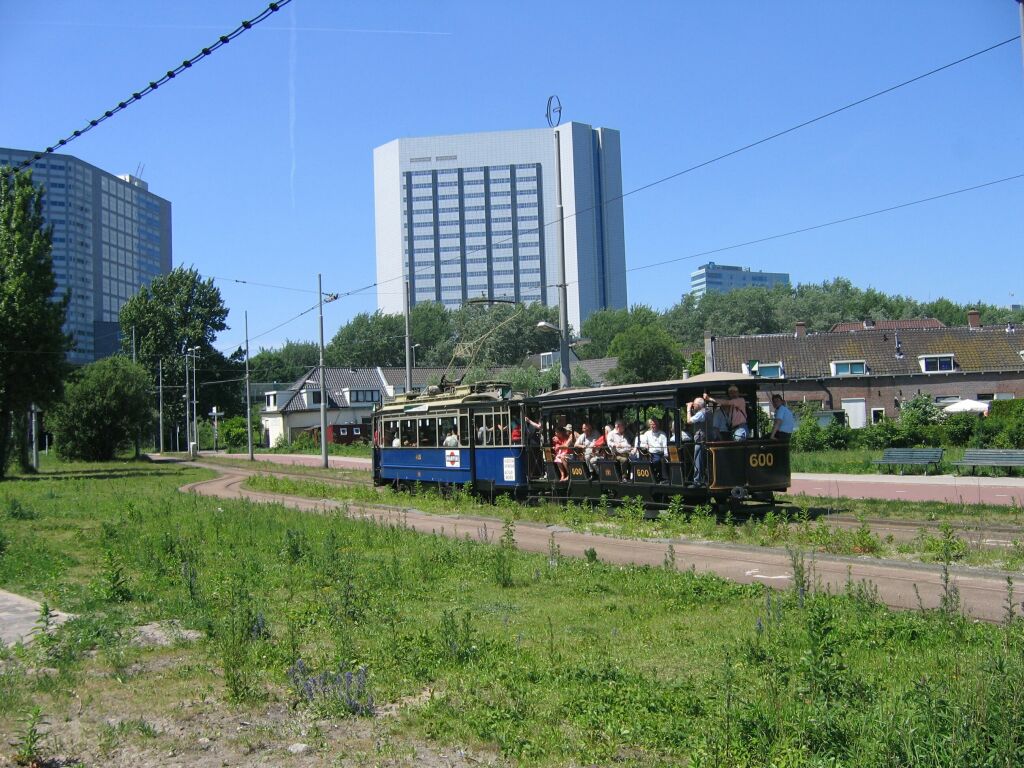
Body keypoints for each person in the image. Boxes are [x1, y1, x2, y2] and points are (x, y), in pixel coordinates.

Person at [687, 398, 708, 485]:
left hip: (700, 441)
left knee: (698, 461)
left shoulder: (700, 413)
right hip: (704, 440)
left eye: (694, 404)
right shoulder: (707, 411)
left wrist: (688, 409)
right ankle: (702, 479)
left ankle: (697, 481)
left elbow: (689, 421)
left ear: (699, 405)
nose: (693, 406)